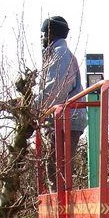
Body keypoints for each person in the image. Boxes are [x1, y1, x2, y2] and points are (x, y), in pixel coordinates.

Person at [37, 15, 87, 192]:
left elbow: (56, 91)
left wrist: (32, 108)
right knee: (55, 170)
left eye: (43, 34)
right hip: (63, 119)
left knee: (58, 172)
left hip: (67, 119)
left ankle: (62, 216)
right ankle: (60, 216)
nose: (41, 38)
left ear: (50, 33)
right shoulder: (57, 55)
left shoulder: (60, 55)